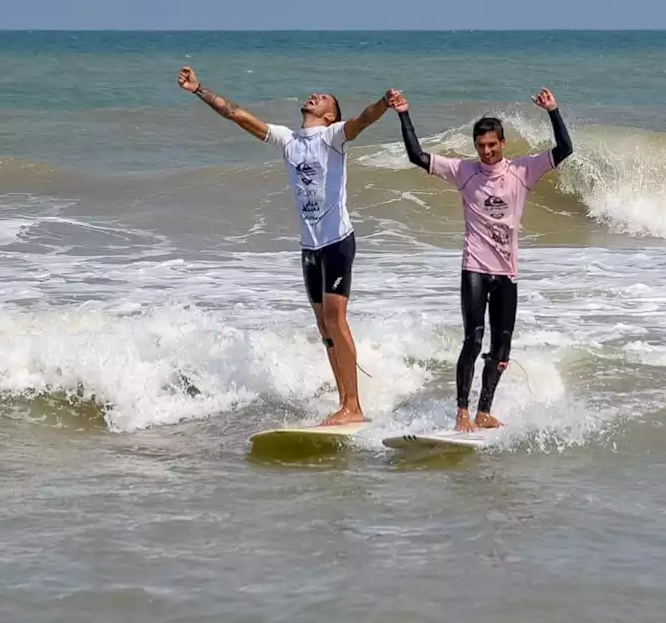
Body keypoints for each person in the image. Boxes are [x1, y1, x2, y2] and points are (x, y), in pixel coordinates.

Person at [178, 66, 396, 426]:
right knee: (323, 326)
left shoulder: (334, 136)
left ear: (329, 115)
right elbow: (237, 116)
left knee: (335, 320)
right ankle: (344, 402)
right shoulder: (288, 140)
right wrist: (199, 89)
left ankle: (354, 406)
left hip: (337, 240)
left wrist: (383, 104)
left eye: (323, 98)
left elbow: (362, 120)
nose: (315, 96)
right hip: (309, 246)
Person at [387, 88, 572, 432]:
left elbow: (565, 149)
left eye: (492, 145)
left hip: (507, 272)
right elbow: (416, 155)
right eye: (481, 146)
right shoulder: (463, 171)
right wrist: (403, 113)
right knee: (473, 339)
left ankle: (484, 412)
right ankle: (461, 412)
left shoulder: (523, 169)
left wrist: (553, 111)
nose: (486, 152)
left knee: (501, 347)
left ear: (502, 142)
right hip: (474, 267)